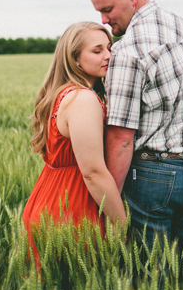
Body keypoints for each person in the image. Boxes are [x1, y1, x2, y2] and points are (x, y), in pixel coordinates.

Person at [89, 0, 183, 283]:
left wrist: (110, 204)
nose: (104, 20)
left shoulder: (129, 49)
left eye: (108, 9)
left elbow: (120, 137)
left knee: (150, 281)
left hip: (154, 177)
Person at [23, 21, 127, 267]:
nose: (109, 56)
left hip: (49, 199)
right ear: (75, 60)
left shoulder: (61, 94)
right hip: (73, 206)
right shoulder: (83, 100)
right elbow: (92, 172)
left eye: (109, 48)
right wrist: (121, 224)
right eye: (97, 50)